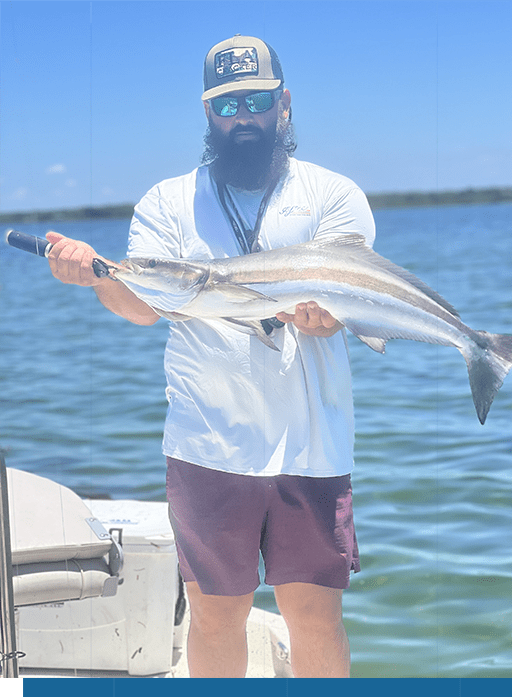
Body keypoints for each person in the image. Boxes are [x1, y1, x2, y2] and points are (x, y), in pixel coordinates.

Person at [46, 35, 376, 678]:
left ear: (284, 104)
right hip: (207, 445)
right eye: (228, 105)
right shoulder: (167, 203)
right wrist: (96, 276)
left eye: (256, 100)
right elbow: (144, 306)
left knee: (315, 618)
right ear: (207, 113)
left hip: (312, 444)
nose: (243, 117)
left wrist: (328, 317)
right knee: (216, 617)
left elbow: (346, 302)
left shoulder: (334, 196)